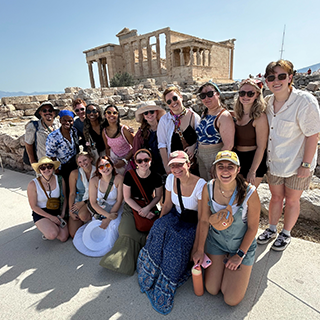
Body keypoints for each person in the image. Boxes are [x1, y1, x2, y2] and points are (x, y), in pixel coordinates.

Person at [257, 59, 320, 251]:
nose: (276, 81)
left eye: (281, 76)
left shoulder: (304, 101)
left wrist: (306, 165)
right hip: (276, 162)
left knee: (292, 200)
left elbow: (312, 135)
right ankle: (272, 228)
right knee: (276, 198)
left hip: (297, 162)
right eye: (271, 77)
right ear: (266, 81)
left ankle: (286, 233)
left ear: (290, 77)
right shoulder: (267, 103)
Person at [137, 150, 206, 314]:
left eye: (180, 164)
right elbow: (167, 205)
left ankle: (166, 281)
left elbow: (203, 219)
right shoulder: (170, 179)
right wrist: (158, 227)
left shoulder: (201, 185)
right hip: (175, 216)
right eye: (173, 165)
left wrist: (198, 249)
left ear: (188, 164)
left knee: (175, 244)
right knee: (159, 228)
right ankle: (150, 275)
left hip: (191, 223)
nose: (176, 168)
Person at [193, 151, 260, 306]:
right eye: (220, 166)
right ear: (214, 169)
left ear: (238, 170)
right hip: (216, 242)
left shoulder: (250, 193)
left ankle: (234, 268)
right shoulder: (208, 188)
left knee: (231, 299)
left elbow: (252, 228)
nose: (225, 170)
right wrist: (200, 249)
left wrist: (239, 255)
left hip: (240, 246)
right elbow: (203, 221)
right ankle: (224, 268)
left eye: (230, 167)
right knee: (211, 289)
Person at [99, 149, 162, 275]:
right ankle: (119, 262)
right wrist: (140, 211)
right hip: (132, 206)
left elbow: (158, 197)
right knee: (126, 231)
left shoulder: (156, 176)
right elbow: (127, 198)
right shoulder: (130, 175)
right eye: (140, 161)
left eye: (146, 160)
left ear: (150, 161)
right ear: (135, 162)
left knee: (150, 234)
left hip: (148, 205)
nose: (143, 163)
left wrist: (148, 209)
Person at [73, 155, 124, 257]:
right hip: (101, 209)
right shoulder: (94, 180)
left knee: (113, 227)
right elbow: (93, 202)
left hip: (116, 208)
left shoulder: (119, 178)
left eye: (107, 165)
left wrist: (109, 218)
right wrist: (106, 215)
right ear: (98, 170)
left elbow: (119, 201)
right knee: (98, 227)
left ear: (112, 166)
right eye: (101, 167)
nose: (105, 168)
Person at [196, 80, 235, 181]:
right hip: (201, 154)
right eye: (203, 96)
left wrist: (217, 163)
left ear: (217, 94)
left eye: (210, 94)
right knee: (205, 186)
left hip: (214, 154)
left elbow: (228, 145)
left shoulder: (224, 116)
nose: (206, 98)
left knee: (214, 186)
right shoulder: (205, 113)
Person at [233, 78, 268, 187]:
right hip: (237, 159)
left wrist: (252, 170)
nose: (245, 96)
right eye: (242, 93)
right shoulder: (237, 115)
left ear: (257, 95)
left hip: (253, 160)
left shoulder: (260, 117)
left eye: (250, 93)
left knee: (246, 197)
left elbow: (261, 147)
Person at [158, 86, 200, 175]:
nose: (173, 102)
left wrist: (193, 147)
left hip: (192, 165)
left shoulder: (194, 117)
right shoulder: (164, 120)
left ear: (180, 97)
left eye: (174, 98)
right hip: (174, 167)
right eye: (169, 101)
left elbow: (201, 138)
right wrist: (166, 165)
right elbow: (162, 145)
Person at [27, 157, 69, 241]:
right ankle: (46, 228)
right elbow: (34, 207)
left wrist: (63, 213)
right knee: (52, 234)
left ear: (53, 168)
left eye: (49, 166)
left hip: (56, 211)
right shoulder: (33, 184)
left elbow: (64, 198)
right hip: (41, 212)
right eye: (43, 167)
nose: (46, 169)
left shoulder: (60, 179)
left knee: (63, 238)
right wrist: (50, 217)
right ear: (39, 170)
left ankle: (50, 226)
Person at [46, 109, 79, 199]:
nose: (67, 122)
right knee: (66, 190)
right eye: (64, 120)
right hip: (62, 167)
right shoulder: (53, 136)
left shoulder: (74, 132)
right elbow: (50, 154)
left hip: (75, 165)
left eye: (70, 120)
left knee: (76, 188)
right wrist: (56, 169)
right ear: (60, 120)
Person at [133, 100, 166, 176]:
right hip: (150, 169)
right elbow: (136, 152)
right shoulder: (140, 133)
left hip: (166, 163)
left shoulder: (165, 127)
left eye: (151, 111)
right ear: (143, 116)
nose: (149, 114)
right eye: (146, 113)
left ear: (156, 112)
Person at [68, 149, 95, 238]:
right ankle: (86, 221)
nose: (83, 163)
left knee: (83, 216)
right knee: (73, 234)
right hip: (78, 200)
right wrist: (71, 211)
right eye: (80, 162)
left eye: (85, 160)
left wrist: (83, 203)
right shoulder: (74, 174)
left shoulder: (98, 172)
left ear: (91, 159)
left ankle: (92, 219)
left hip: (92, 199)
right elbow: (72, 194)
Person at [102, 104, 134, 175]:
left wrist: (124, 161)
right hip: (115, 162)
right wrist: (109, 162)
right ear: (105, 115)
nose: (112, 115)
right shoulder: (104, 131)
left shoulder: (124, 129)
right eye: (109, 112)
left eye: (114, 113)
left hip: (128, 161)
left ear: (118, 115)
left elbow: (134, 146)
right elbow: (107, 148)